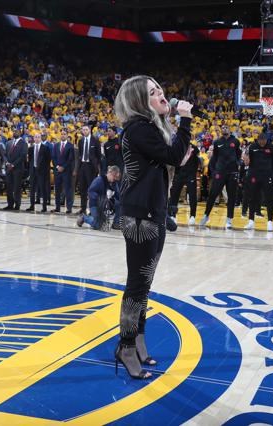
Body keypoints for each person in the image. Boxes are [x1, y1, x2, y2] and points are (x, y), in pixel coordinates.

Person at [113, 75, 192, 379]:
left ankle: (138, 340)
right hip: (140, 217)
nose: (161, 94)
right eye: (153, 92)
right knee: (137, 285)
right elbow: (173, 155)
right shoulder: (138, 128)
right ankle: (126, 346)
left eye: (160, 88)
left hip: (152, 212)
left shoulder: (150, 129)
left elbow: (171, 158)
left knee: (144, 283)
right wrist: (185, 119)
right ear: (139, 101)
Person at [199, 125, 241, 229]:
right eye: (223, 128)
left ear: (229, 129)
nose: (224, 129)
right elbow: (214, 158)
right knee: (212, 194)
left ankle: (229, 219)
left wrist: (237, 165)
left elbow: (238, 155)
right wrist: (213, 172)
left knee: (231, 197)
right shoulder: (217, 142)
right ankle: (206, 215)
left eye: (226, 127)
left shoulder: (235, 141)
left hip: (232, 173)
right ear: (221, 130)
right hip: (220, 172)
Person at [244, 132, 273, 231]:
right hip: (254, 175)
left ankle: (270, 222)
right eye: (260, 141)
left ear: (266, 140)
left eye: (264, 141)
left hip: (267, 176)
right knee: (252, 198)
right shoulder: (252, 147)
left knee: (269, 199)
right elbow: (248, 162)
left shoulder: (272, 147)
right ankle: (251, 221)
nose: (262, 143)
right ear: (258, 140)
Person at [76, 165, 121, 230]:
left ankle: (116, 223)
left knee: (119, 203)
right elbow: (90, 191)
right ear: (110, 173)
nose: (114, 179)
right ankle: (84, 218)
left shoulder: (114, 183)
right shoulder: (100, 180)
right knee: (98, 225)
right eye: (114, 176)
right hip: (95, 204)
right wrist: (99, 198)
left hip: (107, 204)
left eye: (116, 177)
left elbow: (118, 196)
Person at [168, 143, 201, 225]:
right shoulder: (178, 146)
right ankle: (172, 215)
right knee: (174, 195)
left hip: (190, 175)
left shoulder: (193, 147)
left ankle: (192, 216)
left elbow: (197, 154)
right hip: (179, 174)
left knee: (192, 195)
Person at [76, 125, 101, 214]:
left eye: (86, 129)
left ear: (89, 130)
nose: (85, 131)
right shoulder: (81, 141)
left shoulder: (95, 140)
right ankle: (83, 208)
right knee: (82, 189)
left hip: (91, 167)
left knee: (91, 189)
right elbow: (80, 154)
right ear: (82, 131)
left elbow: (99, 155)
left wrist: (98, 167)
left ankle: (91, 209)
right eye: (83, 130)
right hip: (82, 166)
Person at [26, 133, 51, 213]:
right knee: (32, 189)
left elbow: (48, 160)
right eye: (35, 137)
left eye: (38, 137)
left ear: (40, 138)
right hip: (33, 171)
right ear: (34, 138)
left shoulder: (45, 148)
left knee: (43, 189)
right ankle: (32, 205)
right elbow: (30, 160)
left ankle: (44, 207)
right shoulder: (30, 148)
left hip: (42, 172)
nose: (37, 138)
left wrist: (45, 171)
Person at [52, 129, 75, 213]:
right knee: (57, 190)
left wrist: (63, 167)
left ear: (67, 136)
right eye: (61, 134)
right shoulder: (56, 145)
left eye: (64, 134)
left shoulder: (70, 146)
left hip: (66, 171)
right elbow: (53, 158)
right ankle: (57, 207)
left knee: (68, 189)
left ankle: (69, 208)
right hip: (57, 171)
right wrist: (58, 167)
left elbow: (70, 159)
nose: (63, 135)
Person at [4, 129, 28, 211]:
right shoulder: (9, 143)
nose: (15, 132)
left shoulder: (24, 143)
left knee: (17, 188)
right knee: (9, 187)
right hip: (8, 168)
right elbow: (5, 154)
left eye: (16, 131)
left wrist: (13, 164)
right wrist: (7, 163)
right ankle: (10, 204)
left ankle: (17, 205)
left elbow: (23, 156)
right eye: (14, 131)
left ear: (20, 133)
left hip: (18, 168)